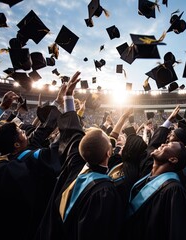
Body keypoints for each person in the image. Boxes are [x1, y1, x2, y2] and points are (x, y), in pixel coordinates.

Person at [35, 71, 124, 240]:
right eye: (109, 140)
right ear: (109, 153)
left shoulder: (75, 165)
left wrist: (69, 98)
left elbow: (72, 133)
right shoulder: (104, 191)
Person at [0, 91, 61, 240]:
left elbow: (42, 132)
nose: (25, 133)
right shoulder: (5, 169)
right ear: (16, 144)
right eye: (21, 132)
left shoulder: (10, 157)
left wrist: (59, 103)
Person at [123, 141, 186, 240]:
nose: (162, 144)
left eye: (168, 145)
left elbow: (176, 232)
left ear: (173, 159)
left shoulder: (173, 190)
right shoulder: (147, 179)